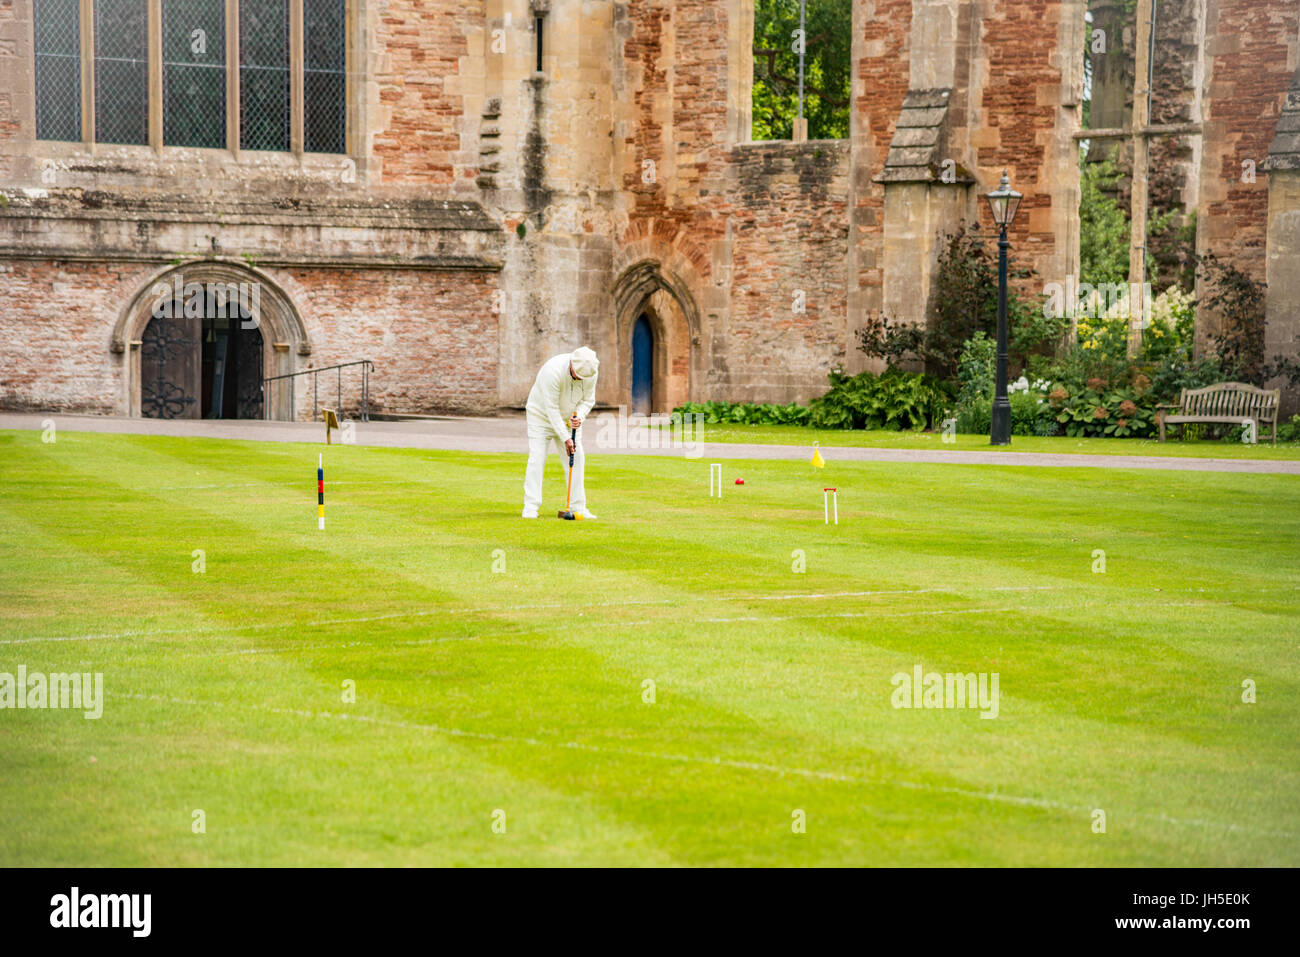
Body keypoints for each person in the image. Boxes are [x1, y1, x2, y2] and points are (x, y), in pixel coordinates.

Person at [522, 346, 599, 519]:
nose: (580, 379)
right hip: (540, 416)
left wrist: (579, 416)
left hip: (569, 419)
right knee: (537, 457)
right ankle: (530, 507)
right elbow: (551, 408)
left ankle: (578, 507)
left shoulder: (591, 371)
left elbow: (588, 400)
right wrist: (566, 438)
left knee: (577, 458)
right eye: (577, 375)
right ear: (571, 365)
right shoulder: (553, 371)